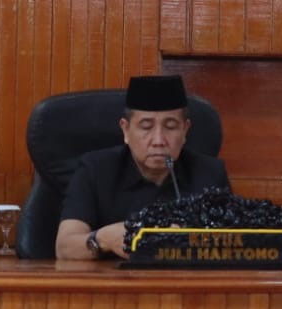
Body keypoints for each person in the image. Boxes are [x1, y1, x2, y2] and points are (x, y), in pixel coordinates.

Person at [56, 75, 231, 260]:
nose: (158, 141)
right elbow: (64, 248)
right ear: (126, 130)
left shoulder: (210, 174)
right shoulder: (95, 170)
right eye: (146, 127)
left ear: (185, 130)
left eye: (171, 127)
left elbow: (234, 245)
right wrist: (104, 239)